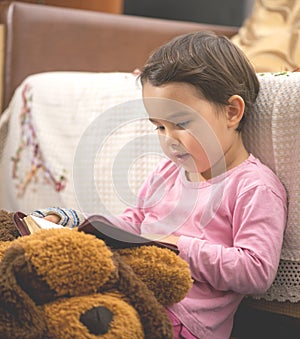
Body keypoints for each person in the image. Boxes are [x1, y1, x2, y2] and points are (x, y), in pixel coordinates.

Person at [32, 32, 287, 339]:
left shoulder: (254, 187)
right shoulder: (168, 172)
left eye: (181, 124)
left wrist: (175, 245)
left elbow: (256, 272)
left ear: (232, 111)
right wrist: (78, 225)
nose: (169, 139)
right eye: (159, 126)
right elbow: (134, 222)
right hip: (133, 290)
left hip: (182, 320)